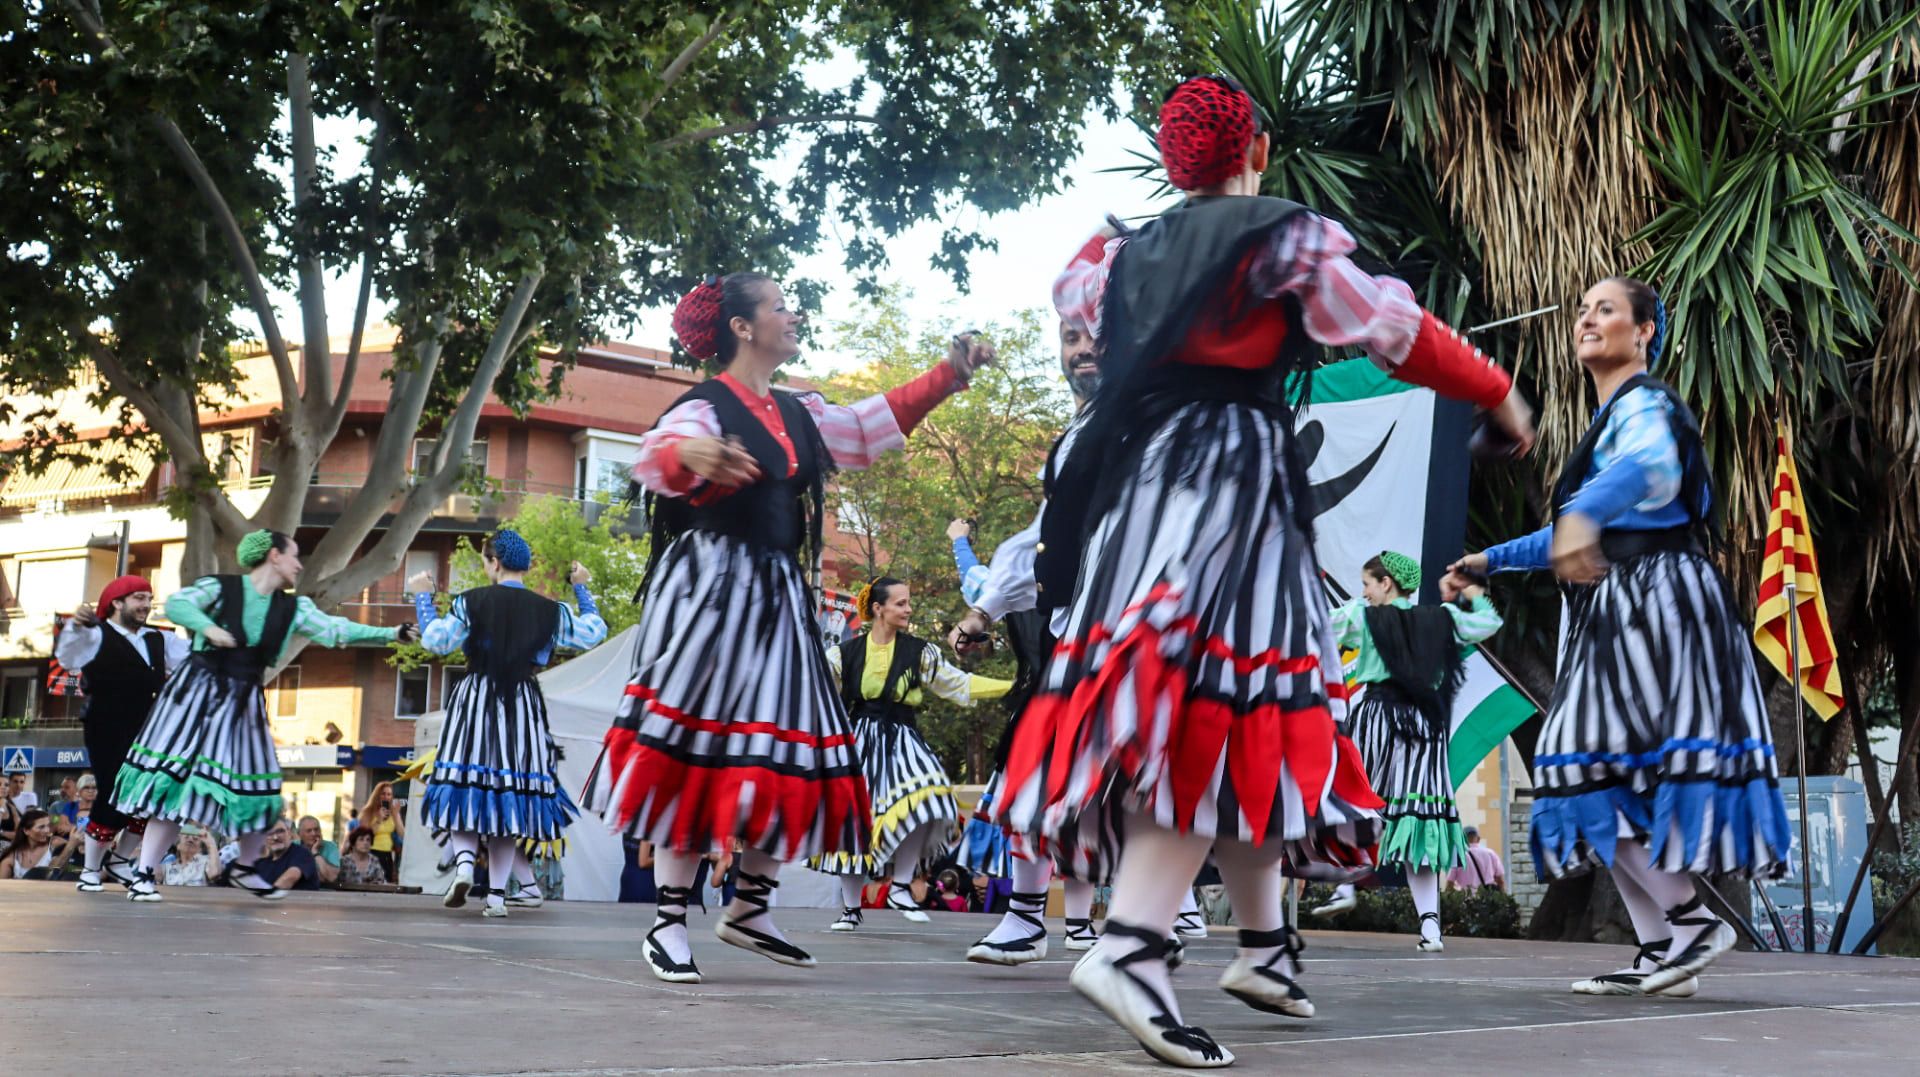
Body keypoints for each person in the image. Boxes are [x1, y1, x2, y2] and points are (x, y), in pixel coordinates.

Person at [991, 75, 1537, 1067]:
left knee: (1249, 704)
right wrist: (1497, 394)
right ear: (1258, 151)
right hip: (1229, 480)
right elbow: (1391, 329)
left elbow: (1082, 306)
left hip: (1140, 489)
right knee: (1212, 702)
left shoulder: (1111, 258)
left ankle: (1267, 946)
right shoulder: (1282, 239)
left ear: (1171, 161)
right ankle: (1132, 946)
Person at [583, 271, 992, 985]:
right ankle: (669, 921)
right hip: (711, 590)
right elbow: (658, 450)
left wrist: (949, 375)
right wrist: (694, 456)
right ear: (742, 327)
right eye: (779, 306)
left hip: (776, 593)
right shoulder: (705, 405)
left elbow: (869, 426)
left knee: (796, 747)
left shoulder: (797, 411)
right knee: (697, 744)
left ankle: (748, 904)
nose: (792, 314)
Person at [1451, 276, 1789, 1000]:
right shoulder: (1609, 424)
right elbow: (1577, 527)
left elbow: (1650, 471)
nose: (1587, 317)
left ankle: (1691, 923)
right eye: (1581, 309)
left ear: (1643, 332)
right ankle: (1665, 944)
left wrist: (1581, 518)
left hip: (1660, 602)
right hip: (1627, 608)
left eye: (1606, 308)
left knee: (1580, 766)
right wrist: (1489, 559)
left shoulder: (1649, 405)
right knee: (1603, 776)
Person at [111, 530, 418, 902]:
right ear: (274, 556)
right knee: (175, 782)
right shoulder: (220, 588)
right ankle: (143, 872)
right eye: (294, 556)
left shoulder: (293, 609)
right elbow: (178, 604)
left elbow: (337, 629)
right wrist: (210, 629)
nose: (299, 564)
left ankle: (244, 866)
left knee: (263, 786)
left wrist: (391, 633)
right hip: (199, 690)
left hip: (244, 698)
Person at [950, 310, 1112, 965]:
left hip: (1128, 629)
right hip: (1078, 635)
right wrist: (984, 611)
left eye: (1093, 335)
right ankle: (1035, 919)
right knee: (1046, 771)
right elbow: (1041, 539)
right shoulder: (1078, 434)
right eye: (1070, 338)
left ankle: (1140, 924)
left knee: (1116, 786)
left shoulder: (1141, 419)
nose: (1081, 349)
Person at [1309, 553, 1502, 952]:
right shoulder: (1442, 619)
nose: (1364, 591)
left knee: (1349, 800)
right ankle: (1430, 926)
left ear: (1386, 584)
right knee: (1421, 820)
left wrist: (1356, 605)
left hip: (1378, 718)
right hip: (1426, 728)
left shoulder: (1364, 617)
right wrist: (1472, 589)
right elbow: (1488, 622)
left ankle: (1346, 884)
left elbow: (1320, 627)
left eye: (1367, 584)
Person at [409, 533, 607, 919]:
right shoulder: (550, 611)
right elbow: (592, 633)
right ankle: (497, 898)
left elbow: (436, 642)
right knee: (508, 797)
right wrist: (582, 589)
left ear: (494, 563)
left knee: (462, 784)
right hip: (523, 704)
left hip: (476, 699)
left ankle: (464, 864)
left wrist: (423, 597)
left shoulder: (471, 601)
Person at [814, 577, 1011, 930]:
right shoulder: (843, 654)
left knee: (932, 799)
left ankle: (901, 885)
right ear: (879, 609)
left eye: (908, 602)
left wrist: (1013, 687)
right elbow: (816, 691)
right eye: (901, 603)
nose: (908, 609)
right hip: (858, 740)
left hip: (902, 738)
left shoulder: (919, 651)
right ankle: (850, 909)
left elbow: (958, 684)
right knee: (854, 822)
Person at [55, 575, 194, 893]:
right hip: (107, 725)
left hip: (150, 727)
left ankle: (118, 861)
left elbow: (196, 660)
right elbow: (68, 658)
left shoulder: (160, 639)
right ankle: (90, 870)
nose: (146, 604)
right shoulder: (95, 634)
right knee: (113, 792)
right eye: (138, 598)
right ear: (116, 603)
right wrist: (76, 626)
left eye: (149, 598)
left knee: (150, 795)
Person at [252, 819, 322, 891]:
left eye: (280, 831)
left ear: (289, 833)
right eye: (270, 833)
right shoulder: (262, 863)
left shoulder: (302, 853)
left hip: (301, 901)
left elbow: (289, 879)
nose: (275, 837)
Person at [355, 782, 404, 882]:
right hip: (371, 852)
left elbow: (402, 834)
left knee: (387, 882)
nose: (386, 797)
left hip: (387, 854)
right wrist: (379, 819)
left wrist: (396, 815)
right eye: (383, 793)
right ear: (377, 795)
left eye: (389, 794)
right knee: (371, 883)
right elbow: (364, 835)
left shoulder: (392, 812)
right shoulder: (368, 811)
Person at [2, 809, 72, 879]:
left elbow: (56, 870)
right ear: (26, 831)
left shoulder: (55, 843)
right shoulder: (13, 856)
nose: (47, 830)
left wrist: (72, 843)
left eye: (48, 826)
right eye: (41, 827)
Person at [1446, 827, 1506, 893]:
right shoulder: (1491, 853)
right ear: (1478, 839)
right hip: (1488, 898)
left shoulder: (1458, 856)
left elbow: (1450, 883)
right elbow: (1500, 881)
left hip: (1466, 899)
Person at [296, 816, 341, 887]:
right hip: (297, 891)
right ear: (299, 834)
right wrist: (320, 875)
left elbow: (332, 877)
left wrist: (315, 853)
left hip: (325, 892)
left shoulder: (331, 847)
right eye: (309, 831)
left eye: (316, 829)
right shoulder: (292, 846)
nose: (314, 834)